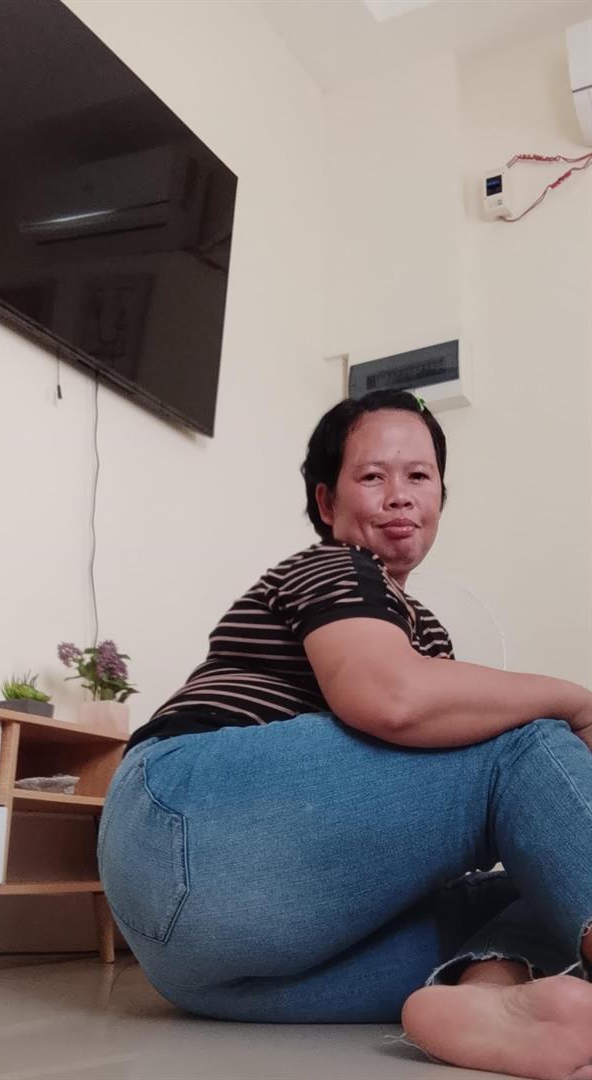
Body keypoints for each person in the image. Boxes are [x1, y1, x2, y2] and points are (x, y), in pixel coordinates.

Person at [99, 390, 592, 1080]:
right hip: (183, 818)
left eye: (418, 476)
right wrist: (575, 702)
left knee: (531, 887)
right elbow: (387, 697)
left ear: (441, 498)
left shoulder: (420, 631)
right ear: (327, 503)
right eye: (372, 475)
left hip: (208, 974)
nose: (399, 495)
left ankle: (486, 996)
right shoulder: (335, 566)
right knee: (525, 737)